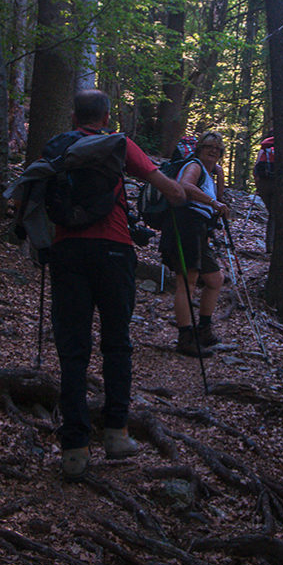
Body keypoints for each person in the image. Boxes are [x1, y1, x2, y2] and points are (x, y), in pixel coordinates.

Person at [49, 90, 186, 482]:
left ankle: (74, 450)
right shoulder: (119, 144)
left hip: (67, 251)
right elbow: (170, 190)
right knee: (116, 343)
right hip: (113, 251)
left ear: (74, 115)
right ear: (107, 115)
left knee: (72, 349)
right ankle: (116, 433)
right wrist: (179, 196)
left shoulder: (58, 146)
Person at [160, 130, 230, 356]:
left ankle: (204, 330)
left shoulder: (209, 174)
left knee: (215, 279)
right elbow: (184, 186)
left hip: (199, 229)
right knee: (187, 281)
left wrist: (218, 176)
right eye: (209, 147)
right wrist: (212, 201)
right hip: (185, 225)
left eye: (217, 149)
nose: (213, 151)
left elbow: (218, 199)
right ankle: (185, 337)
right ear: (200, 148)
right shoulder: (194, 166)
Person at [253, 134, 275, 253]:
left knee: (272, 214)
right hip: (277, 183)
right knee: (275, 215)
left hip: (263, 184)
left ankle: (269, 245)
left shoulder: (264, 148)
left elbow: (256, 168)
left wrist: (258, 186)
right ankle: (272, 246)